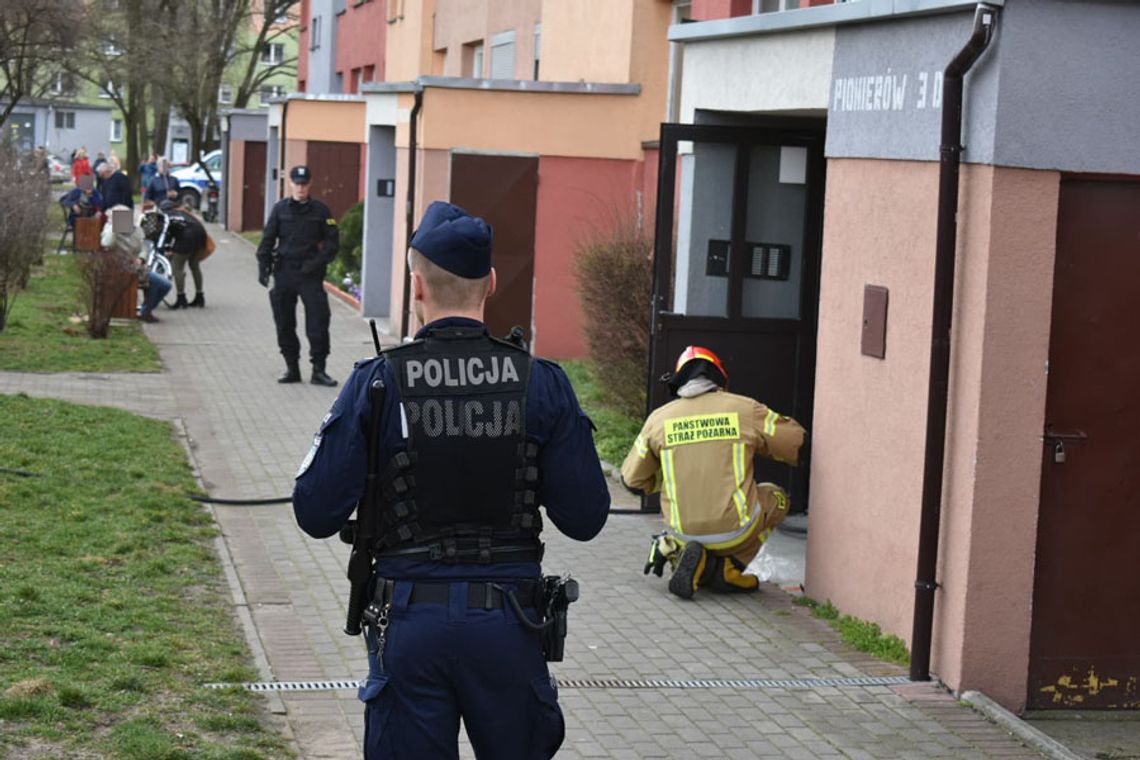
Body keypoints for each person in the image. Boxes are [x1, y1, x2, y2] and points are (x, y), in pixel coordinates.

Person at [292, 200, 610, 759]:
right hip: (510, 625)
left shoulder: (377, 383)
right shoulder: (541, 383)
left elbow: (315, 511)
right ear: (489, 283)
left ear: (417, 286)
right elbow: (585, 518)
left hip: (409, 625)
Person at [620, 346, 806, 600]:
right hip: (735, 532)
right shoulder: (744, 409)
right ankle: (732, 566)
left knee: (676, 497)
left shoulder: (659, 419)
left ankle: (689, 557)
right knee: (777, 497)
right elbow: (798, 444)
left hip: (681, 530)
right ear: (718, 376)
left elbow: (632, 482)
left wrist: (668, 478)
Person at [255, 165, 340, 386]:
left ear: (310, 184)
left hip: (310, 273)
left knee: (319, 321)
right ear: (290, 184)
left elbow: (332, 242)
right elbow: (267, 238)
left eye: (304, 183)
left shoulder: (321, 210)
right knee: (284, 322)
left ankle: (318, 370)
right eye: (297, 183)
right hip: (284, 272)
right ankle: (291, 367)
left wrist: (318, 262)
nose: (301, 188)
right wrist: (263, 266)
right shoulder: (280, 209)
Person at [101, 205, 171, 323]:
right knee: (154, 283)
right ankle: (142, 312)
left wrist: (141, 259)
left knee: (164, 284)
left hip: (136, 268)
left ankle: (146, 310)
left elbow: (144, 248)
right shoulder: (109, 229)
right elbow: (106, 243)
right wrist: (114, 228)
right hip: (117, 268)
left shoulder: (136, 230)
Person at [141, 203, 207, 308]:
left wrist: (166, 250)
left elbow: (161, 235)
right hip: (201, 234)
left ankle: (181, 298)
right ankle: (200, 296)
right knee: (195, 266)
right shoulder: (181, 213)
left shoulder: (163, 216)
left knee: (177, 268)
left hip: (186, 237)